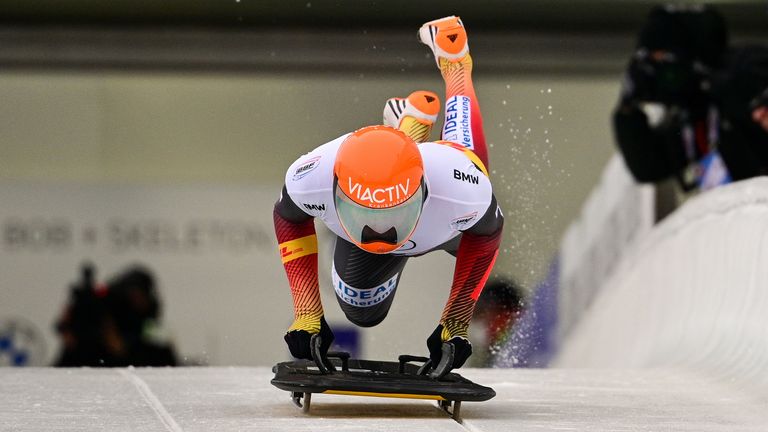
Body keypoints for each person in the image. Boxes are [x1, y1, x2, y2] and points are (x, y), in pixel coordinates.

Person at [273, 16, 503, 377]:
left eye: (392, 213)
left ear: (421, 189)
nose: (381, 231)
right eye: (367, 214)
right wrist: (307, 313)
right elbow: (288, 218)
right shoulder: (309, 176)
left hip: (441, 215)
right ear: (334, 190)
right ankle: (408, 128)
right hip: (433, 217)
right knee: (363, 312)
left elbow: (488, 233)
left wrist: (457, 319)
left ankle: (455, 66)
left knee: (473, 172)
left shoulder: (457, 184)